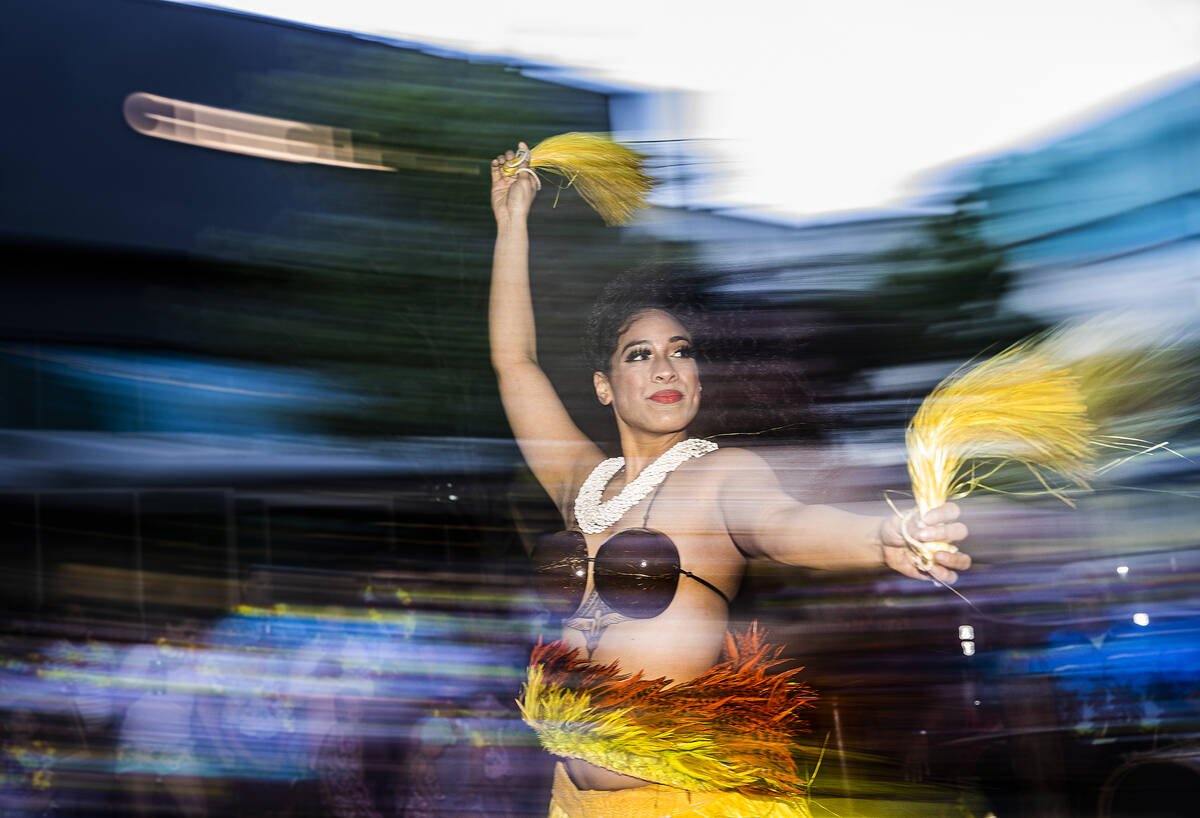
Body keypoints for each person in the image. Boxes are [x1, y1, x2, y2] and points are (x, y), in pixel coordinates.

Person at [489, 143, 972, 817]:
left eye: (681, 353)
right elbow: (516, 365)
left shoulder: (720, 477)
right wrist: (512, 224)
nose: (667, 369)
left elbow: (787, 525)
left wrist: (881, 535)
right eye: (641, 355)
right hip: (572, 801)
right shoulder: (583, 485)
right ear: (605, 386)